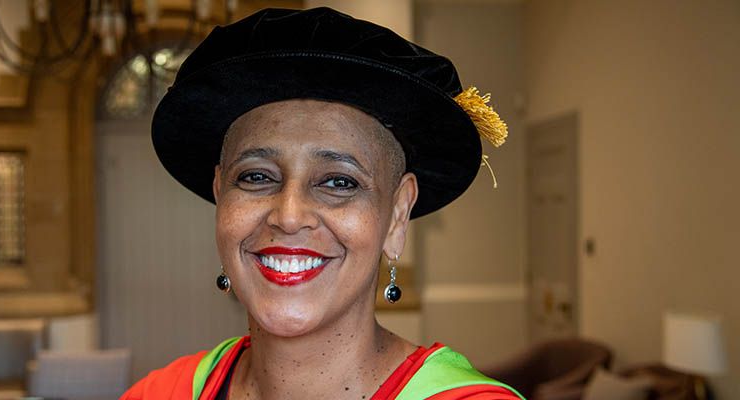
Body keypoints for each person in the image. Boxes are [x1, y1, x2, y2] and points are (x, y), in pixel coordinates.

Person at [121, 7, 522, 400]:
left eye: (338, 182)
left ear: (398, 215)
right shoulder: (160, 393)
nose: (289, 216)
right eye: (256, 177)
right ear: (219, 195)